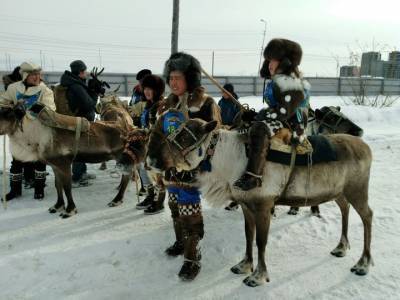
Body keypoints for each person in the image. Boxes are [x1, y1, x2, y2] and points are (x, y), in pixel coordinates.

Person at [161, 52, 221, 281]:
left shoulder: (206, 104)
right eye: (171, 77)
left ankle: (192, 258)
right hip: (170, 169)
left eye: (178, 77)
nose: (173, 82)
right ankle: (180, 241)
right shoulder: (167, 104)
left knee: (189, 213)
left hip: (192, 170)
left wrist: (202, 165)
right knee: (174, 207)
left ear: (190, 78)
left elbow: (215, 137)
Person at [233, 38, 310, 191]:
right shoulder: (277, 81)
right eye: (268, 60)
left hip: (292, 124)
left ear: (285, 62)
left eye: (273, 60)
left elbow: (284, 112)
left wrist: (261, 117)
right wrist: (255, 116)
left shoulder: (291, 83)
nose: (269, 64)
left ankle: (253, 177)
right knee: (245, 125)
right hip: (281, 119)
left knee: (259, 130)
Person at [0, 62, 56, 200]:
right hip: (17, 133)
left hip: (37, 133)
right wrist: (9, 109)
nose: (37, 77)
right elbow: (3, 101)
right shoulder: (13, 88)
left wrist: (28, 111)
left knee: (39, 162)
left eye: (38, 74)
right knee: (17, 162)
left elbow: (50, 109)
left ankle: (39, 190)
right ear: (25, 75)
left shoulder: (45, 91)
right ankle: (15, 191)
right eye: (33, 75)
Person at [60, 60, 98, 187]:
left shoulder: (75, 83)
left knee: (82, 147)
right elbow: (89, 104)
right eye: (85, 71)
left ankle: (82, 173)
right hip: (79, 121)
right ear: (80, 72)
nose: (87, 73)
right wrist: (94, 91)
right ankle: (76, 177)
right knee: (79, 148)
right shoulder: (76, 86)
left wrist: (91, 89)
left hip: (80, 119)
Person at [134, 74, 166, 215]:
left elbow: (167, 128)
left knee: (157, 174)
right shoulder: (148, 105)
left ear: (157, 90)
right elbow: (146, 125)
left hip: (158, 147)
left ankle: (159, 203)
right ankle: (150, 196)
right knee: (143, 170)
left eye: (150, 89)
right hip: (146, 144)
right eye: (145, 88)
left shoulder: (162, 106)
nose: (146, 91)